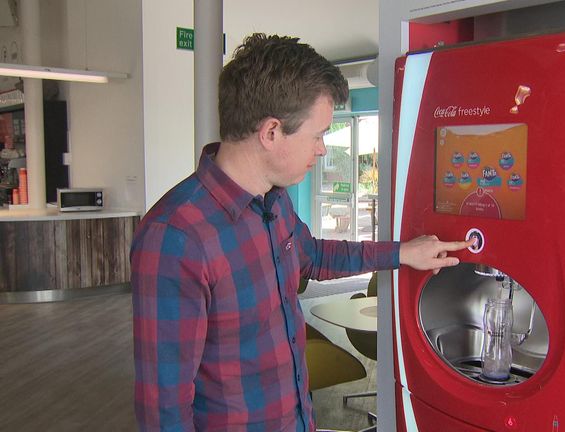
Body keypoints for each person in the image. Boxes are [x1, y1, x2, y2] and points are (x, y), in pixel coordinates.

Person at [131, 33, 471, 431]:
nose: (323, 148)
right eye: (318, 134)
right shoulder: (175, 238)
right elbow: (164, 411)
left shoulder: (274, 201)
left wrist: (402, 253)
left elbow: (316, 255)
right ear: (271, 132)